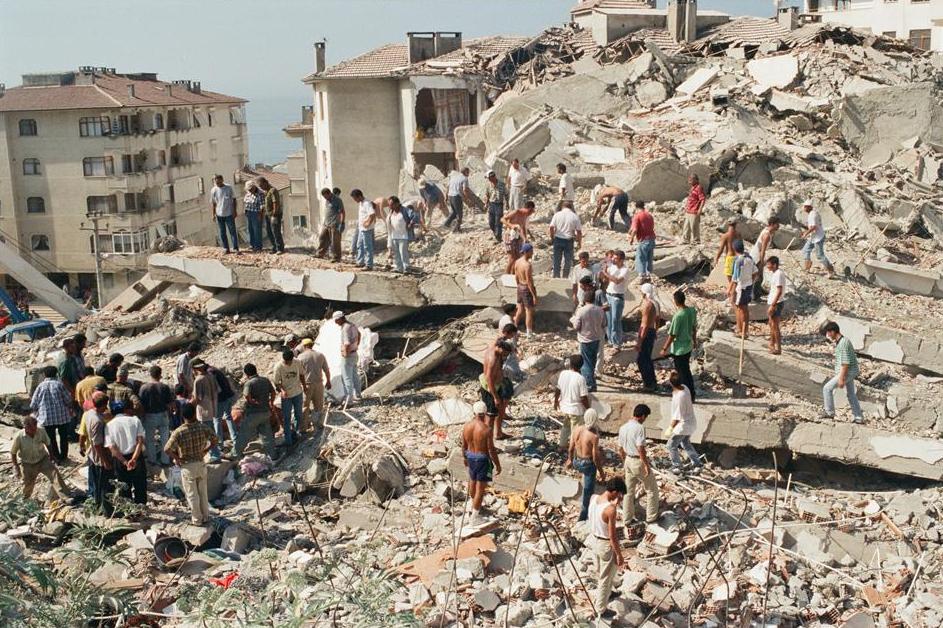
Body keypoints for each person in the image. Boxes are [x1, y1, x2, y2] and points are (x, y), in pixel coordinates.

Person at [164, 402, 218, 525]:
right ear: (194, 414)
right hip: (200, 462)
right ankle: (206, 517)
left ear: (183, 416)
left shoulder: (178, 432)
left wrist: (177, 458)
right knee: (203, 493)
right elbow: (215, 439)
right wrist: (206, 450)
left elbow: (166, 449)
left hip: (187, 465)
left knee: (192, 495)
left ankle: (197, 520)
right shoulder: (202, 427)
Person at [588, 478, 627, 619]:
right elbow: (612, 536)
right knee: (605, 578)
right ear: (615, 492)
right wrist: (619, 554)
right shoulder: (610, 509)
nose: (620, 498)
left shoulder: (594, 498)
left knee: (601, 572)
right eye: (620, 495)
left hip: (594, 540)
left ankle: (609, 593)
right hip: (605, 545)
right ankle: (601, 609)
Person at [618, 404, 659, 534]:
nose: (644, 419)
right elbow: (640, 447)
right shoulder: (639, 428)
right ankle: (651, 518)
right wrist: (646, 464)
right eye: (645, 417)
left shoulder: (623, 427)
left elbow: (620, 448)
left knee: (628, 492)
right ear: (642, 416)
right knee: (652, 489)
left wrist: (624, 460)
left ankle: (627, 519)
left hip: (628, 460)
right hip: (637, 461)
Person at [11, 416, 71, 502]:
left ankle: (66, 497)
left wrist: (52, 455)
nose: (34, 431)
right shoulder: (19, 436)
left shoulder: (41, 431)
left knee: (54, 475)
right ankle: (24, 501)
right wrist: (16, 466)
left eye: (35, 428)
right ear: (26, 428)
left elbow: (48, 443)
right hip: (28, 464)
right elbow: (13, 452)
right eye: (32, 429)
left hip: (42, 459)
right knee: (28, 484)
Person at [462, 400, 502, 524]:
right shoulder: (486, 429)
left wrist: (464, 458)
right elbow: (491, 449)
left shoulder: (466, 426)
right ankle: (475, 517)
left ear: (474, 412)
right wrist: (497, 464)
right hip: (482, 459)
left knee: (472, 481)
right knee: (480, 488)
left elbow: (463, 445)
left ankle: (473, 505)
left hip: (470, 456)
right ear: (485, 413)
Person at [566, 408, 606, 521]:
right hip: (587, 464)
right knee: (587, 493)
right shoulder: (594, 436)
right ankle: (583, 517)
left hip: (576, 461)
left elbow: (570, 448)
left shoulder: (577, 429)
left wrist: (570, 460)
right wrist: (601, 473)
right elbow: (595, 458)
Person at [821, 321, 864, 424]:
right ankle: (859, 417)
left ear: (832, 331)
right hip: (850, 371)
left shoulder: (843, 343)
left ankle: (829, 412)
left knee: (827, 388)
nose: (828, 336)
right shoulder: (842, 341)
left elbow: (845, 363)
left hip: (848, 371)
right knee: (851, 394)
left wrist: (841, 378)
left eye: (828, 333)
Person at [105, 399, 147, 505]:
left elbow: (112, 447)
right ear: (124, 409)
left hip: (120, 459)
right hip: (137, 457)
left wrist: (125, 462)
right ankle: (140, 509)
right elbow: (140, 442)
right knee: (140, 484)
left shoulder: (109, 425)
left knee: (124, 486)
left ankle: (128, 512)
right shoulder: (135, 420)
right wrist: (134, 459)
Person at [232, 363, 277, 459]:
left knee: (244, 434)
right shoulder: (265, 380)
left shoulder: (249, 383)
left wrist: (252, 401)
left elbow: (246, 395)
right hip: (266, 412)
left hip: (254, 414)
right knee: (267, 435)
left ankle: (236, 454)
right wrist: (271, 403)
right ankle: (273, 455)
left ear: (246, 374)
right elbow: (273, 392)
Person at [30, 366, 73, 464]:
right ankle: (64, 456)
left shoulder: (40, 386)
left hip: (47, 418)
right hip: (62, 417)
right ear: (56, 374)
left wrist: (38, 411)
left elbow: (33, 404)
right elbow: (68, 400)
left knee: (51, 439)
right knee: (63, 437)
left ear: (44, 375)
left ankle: (56, 458)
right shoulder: (59, 385)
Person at [662, 290, 697, 403]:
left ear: (676, 301)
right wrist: (694, 341)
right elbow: (694, 328)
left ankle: (687, 396)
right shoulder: (691, 311)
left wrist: (664, 348)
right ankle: (690, 394)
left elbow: (673, 334)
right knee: (686, 371)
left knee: (682, 373)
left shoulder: (678, 315)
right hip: (688, 346)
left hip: (679, 349)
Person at [667, 371, 702, 474]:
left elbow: (677, 417)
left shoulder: (679, 398)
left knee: (671, 445)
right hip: (691, 422)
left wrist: (670, 428)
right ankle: (697, 463)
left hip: (683, 425)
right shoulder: (685, 388)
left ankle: (677, 466)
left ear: (671, 383)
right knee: (686, 443)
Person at [139, 365, 174, 468]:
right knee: (165, 438)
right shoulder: (164, 387)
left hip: (149, 415)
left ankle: (152, 460)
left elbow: (141, 403)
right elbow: (169, 403)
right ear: (160, 374)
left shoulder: (144, 387)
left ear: (150, 374)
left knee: (150, 439)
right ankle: (165, 460)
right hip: (163, 414)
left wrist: (142, 416)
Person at [85, 393, 114, 514]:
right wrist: (105, 461)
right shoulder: (98, 421)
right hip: (99, 457)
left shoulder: (89, 414)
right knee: (104, 486)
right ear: (102, 405)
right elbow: (98, 444)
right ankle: (106, 511)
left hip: (92, 455)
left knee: (96, 484)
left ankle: (97, 506)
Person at [554, 355, 590, 452]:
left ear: (570, 364)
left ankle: (561, 446)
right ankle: (574, 450)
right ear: (581, 365)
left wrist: (555, 401)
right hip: (576, 410)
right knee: (576, 431)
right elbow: (583, 398)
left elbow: (558, 389)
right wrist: (589, 409)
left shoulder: (563, 373)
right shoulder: (580, 378)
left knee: (565, 427)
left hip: (565, 407)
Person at [571, 292, 606, 392]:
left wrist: (573, 320)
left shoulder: (581, 311)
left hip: (585, 339)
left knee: (586, 363)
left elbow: (576, 326)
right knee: (592, 361)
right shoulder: (600, 310)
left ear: (584, 300)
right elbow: (604, 324)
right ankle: (591, 381)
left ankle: (590, 385)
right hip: (596, 339)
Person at [481, 340, 514, 440]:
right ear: (500, 348)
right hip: (491, 389)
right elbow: (489, 378)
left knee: (496, 412)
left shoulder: (494, 348)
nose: (505, 356)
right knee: (490, 416)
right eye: (505, 353)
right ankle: (487, 441)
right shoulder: (493, 359)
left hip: (496, 386)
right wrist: (495, 397)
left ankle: (498, 434)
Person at [273, 348, 306, 448]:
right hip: (286, 396)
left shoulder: (297, 362)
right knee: (286, 418)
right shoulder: (279, 366)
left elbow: (301, 375)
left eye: (288, 361)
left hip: (297, 392)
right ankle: (288, 440)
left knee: (298, 414)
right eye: (285, 361)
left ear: (292, 359)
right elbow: (276, 382)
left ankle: (296, 433)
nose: (287, 363)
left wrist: (304, 386)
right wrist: (282, 391)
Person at [297, 338, 331, 431]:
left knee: (304, 407)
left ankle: (303, 429)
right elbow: (326, 370)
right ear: (312, 345)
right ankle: (318, 426)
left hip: (306, 385)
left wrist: (302, 386)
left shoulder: (300, 357)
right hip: (319, 384)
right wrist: (328, 381)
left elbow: (299, 374)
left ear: (304, 346)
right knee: (319, 406)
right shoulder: (320, 355)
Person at [190, 360, 220, 461]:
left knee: (208, 434)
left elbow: (197, 398)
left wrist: (188, 407)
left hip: (204, 411)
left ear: (195, 369)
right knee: (211, 432)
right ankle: (215, 453)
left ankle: (215, 455)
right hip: (213, 408)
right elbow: (217, 390)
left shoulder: (198, 380)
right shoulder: (211, 376)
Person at [729, 240, 758, 340]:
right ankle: (745, 330)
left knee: (740, 308)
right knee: (745, 308)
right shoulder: (749, 258)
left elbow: (735, 278)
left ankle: (741, 331)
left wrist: (731, 290)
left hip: (741, 287)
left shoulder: (738, 261)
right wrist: (751, 281)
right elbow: (755, 272)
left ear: (734, 249)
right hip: (748, 286)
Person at [600, 250, 629, 347]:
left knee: (615, 320)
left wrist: (605, 273)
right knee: (609, 320)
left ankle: (617, 343)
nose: (613, 260)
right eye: (613, 258)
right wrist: (603, 273)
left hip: (617, 297)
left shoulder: (625, 270)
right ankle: (611, 340)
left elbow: (617, 281)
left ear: (621, 260)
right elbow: (605, 279)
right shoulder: (612, 267)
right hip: (609, 295)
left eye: (616, 258)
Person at [636, 283, 661, 392]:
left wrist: (639, 342)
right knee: (647, 358)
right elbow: (658, 319)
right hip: (651, 332)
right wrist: (655, 330)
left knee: (642, 360)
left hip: (645, 332)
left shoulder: (648, 305)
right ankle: (652, 382)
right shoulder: (656, 303)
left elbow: (645, 325)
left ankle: (648, 384)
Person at [801, 200, 835, 276]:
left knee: (820, 255)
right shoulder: (812, 213)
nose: (804, 208)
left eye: (805, 207)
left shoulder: (813, 214)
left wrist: (806, 233)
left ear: (808, 207)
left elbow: (813, 227)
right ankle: (807, 267)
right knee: (805, 250)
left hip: (818, 237)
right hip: (814, 236)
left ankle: (831, 270)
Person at [549, 201, 582, 279]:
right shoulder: (575, 216)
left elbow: (551, 227)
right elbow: (579, 231)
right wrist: (579, 242)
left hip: (558, 239)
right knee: (568, 261)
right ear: (571, 207)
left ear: (562, 207)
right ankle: (565, 277)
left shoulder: (557, 215)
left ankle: (556, 277)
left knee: (557, 260)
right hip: (569, 241)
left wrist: (552, 237)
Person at [334, 311, 361, 404]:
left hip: (348, 356)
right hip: (354, 354)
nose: (335, 322)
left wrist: (345, 354)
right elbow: (359, 334)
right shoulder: (352, 325)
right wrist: (357, 345)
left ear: (341, 318)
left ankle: (349, 400)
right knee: (354, 376)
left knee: (346, 378)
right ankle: (358, 395)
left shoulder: (345, 328)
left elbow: (346, 343)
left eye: (336, 320)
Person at [750, 217, 780, 301]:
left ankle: (758, 291)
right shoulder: (766, 235)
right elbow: (762, 250)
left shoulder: (768, 232)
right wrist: (762, 262)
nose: (778, 226)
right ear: (772, 224)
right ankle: (755, 296)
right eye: (777, 224)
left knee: (760, 276)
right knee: (758, 276)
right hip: (756, 257)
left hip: (757, 255)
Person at [501, 201, 535, 274]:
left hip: (518, 237)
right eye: (531, 211)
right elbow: (502, 219)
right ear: (529, 208)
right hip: (510, 236)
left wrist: (525, 239)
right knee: (512, 258)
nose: (531, 213)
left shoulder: (525, 216)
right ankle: (506, 276)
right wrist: (511, 225)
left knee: (518, 257)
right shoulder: (516, 212)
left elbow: (522, 228)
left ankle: (514, 275)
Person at [513, 243, 537, 337]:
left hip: (519, 287)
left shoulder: (517, 262)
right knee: (529, 311)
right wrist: (534, 295)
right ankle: (529, 333)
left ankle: (514, 327)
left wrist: (518, 286)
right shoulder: (527, 265)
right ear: (527, 252)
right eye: (531, 251)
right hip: (526, 289)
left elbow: (516, 276)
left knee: (519, 309)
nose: (532, 253)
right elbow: (529, 282)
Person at [713, 218, 740, 302]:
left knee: (730, 280)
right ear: (736, 225)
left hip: (729, 257)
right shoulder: (738, 234)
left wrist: (716, 258)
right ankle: (735, 295)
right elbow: (740, 247)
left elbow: (721, 249)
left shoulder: (725, 235)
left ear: (728, 225)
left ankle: (732, 297)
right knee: (736, 279)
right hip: (737, 257)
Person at [211, 174, 239, 254]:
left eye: (219, 182)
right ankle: (226, 248)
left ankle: (235, 248)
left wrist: (234, 211)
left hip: (229, 213)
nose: (218, 184)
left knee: (232, 232)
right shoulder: (213, 190)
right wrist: (213, 214)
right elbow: (213, 203)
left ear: (222, 180)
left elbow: (234, 200)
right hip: (219, 214)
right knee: (222, 233)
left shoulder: (228, 188)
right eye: (216, 182)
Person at [629, 201, 656, 280]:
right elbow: (651, 227)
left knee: (640, 258)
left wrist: (631, 239)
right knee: (649, 259)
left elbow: (634, 230)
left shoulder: (637, 216)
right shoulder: (649, 215)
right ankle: (649, 275)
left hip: (643, 240)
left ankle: (641, 276)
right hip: (652, 239)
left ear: (636, 207)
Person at [766, 256, 787, 355]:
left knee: (775, 326)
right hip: (774, 302)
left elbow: (779, 291)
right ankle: (772, 344)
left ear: (774, 265)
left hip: (776, 303)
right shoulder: (776, 273)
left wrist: (773, 305)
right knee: (772, 325)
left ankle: (778, 348)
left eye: (769, 264)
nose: (767, 266)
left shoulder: (778, 274)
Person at [257, 177, 284, 254]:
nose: (261, 187)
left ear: (265, 183)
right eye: (260, 186)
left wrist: (274, 215)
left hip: (274, 215)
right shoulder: (266, 192)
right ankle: (274, 247)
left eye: (261, 185)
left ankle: (280, 248)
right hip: (267, 214)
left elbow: (275, 203)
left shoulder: (273, 190)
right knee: (269, 232)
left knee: (276, 231)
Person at [351, 189, 377, 270]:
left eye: (355, 198)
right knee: (359, 245)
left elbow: (372, 214)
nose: (355, 200)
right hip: (361, 229)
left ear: (359, 196)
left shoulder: (367, 203)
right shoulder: (361, 203)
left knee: (367, 247)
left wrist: (368, 223)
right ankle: (360, 262)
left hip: (367, 229)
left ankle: (369, 265)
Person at [317, 188, 344, 261]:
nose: (325, 198)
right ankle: (320, 254)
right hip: (326, 224)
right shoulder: (327, 200)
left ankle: (336, 257)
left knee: (335, 241)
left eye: (326, 196)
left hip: (334, 224)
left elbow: (342, 212)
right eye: (324, 197)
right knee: (322, 238)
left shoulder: (338, 200)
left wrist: (342, 223)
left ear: (329, 193)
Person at [388, 196, 412, 272]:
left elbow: (415, 216)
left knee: (403, 253)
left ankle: (407, 268)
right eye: (389, 204)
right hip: (394, 236)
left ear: (397, 203)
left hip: (403, 236)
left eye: (392, 204)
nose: (390, 206)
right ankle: (399, 268)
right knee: (397, 254)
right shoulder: (391, 212)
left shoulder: (405, 210)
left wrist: (410, 224)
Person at [484, 170, 508, 242]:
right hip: (491, 205)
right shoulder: (488, 185)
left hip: (499, 205)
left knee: (498, 222)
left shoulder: (502, 184)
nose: (489, 180)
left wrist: (507, 204)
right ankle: (496, 233)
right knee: (491, 223)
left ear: (493, 177)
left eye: (489, 178)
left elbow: (506, 195)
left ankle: (498, 238)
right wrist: (486, 204)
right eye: (488, 179)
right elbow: (487, 195)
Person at [445, 167, 471, 232]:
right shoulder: (465, 179)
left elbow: (447, 187)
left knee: (454, 212)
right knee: (460, 214)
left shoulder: (454, 177)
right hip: (457, 197)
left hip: (450, 196)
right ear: (465, 172)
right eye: (468, 172)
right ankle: (456, 229)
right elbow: (465, 190)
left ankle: (446, 224)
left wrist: (446, 197)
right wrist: (467, 199)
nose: (469, 174)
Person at [682, 174, 706, 243]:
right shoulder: (692, 188)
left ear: (696, 180)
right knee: (686, 226)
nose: (689, 180)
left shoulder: (699, 188)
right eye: (689, 178)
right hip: (688, 210)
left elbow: (702, 199)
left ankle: (696, 240)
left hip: (694, 210)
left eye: (691, 179)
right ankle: (686, 240)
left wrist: (700, 210)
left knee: (694, 226)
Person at [243, 180, 265, 252]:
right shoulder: (248, 192)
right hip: (249, 212)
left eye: (250, 189)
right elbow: (246, 201)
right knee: (250, 230)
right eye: (248, 189)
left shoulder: (260, 193)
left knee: (257, 231)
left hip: (257, 213)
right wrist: (245, 211)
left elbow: (262, 206)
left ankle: (258, 247)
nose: (249, 191)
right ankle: (252, 245)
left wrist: (260, 215)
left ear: (254, 187)